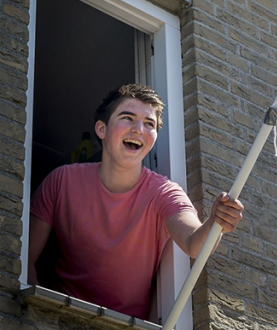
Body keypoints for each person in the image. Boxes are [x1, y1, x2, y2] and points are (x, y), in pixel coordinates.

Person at [27, 83, 244, 320]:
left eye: (149, 124)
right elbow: (21, 257)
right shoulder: (61, 181)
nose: (139, 129)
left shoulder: (164, 192)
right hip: (60, 316)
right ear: (101, 129)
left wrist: (216, 221)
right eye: (127, 118)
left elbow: (195, 244)